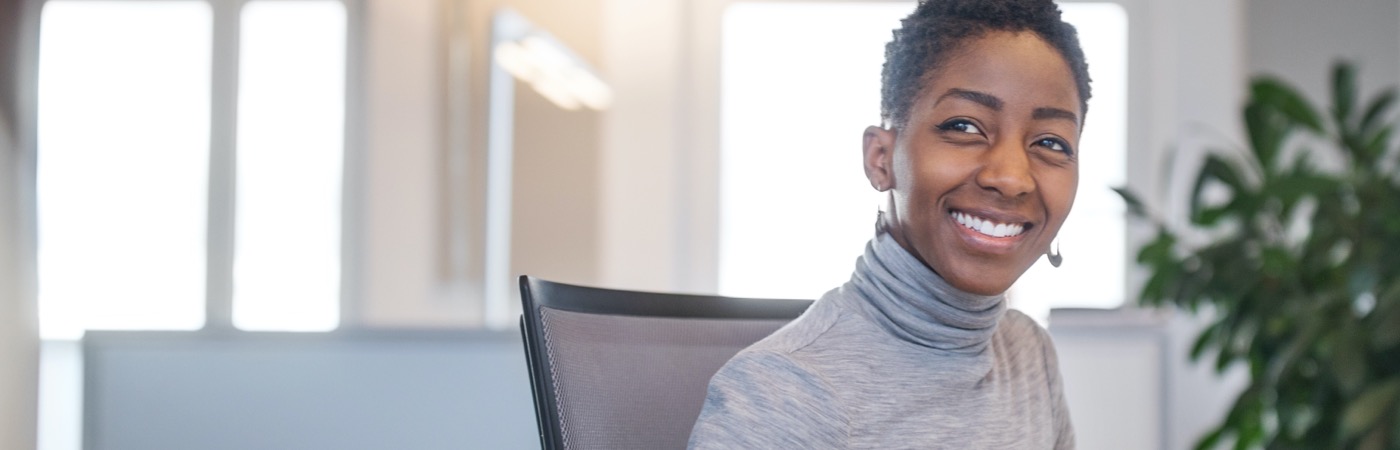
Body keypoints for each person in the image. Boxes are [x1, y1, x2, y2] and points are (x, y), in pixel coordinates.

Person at [688, 0, 1090, 447]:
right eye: (964, 126)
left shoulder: (1028, 352)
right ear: (881, 159)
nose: (1011, 177)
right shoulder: (782, 390)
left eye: (1051, 142)